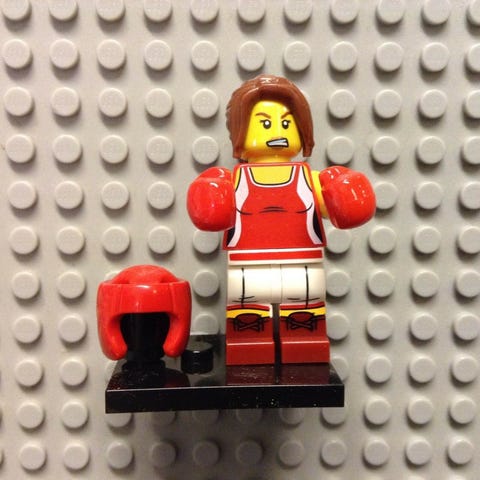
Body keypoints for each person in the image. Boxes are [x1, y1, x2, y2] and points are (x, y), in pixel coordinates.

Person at [187, 75, 375, 365]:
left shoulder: (312, 180)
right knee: (248, 314)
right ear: (239, 131)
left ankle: (305, 346)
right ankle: (249, 346)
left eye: (286, 123)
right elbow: (209, 213)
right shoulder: (232, 182)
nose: (277, 131)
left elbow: (345, 209)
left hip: (302, 263)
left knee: (305, 312)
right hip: (247, 264)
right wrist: (210, 194)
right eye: (265, 123)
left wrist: (343, 191)